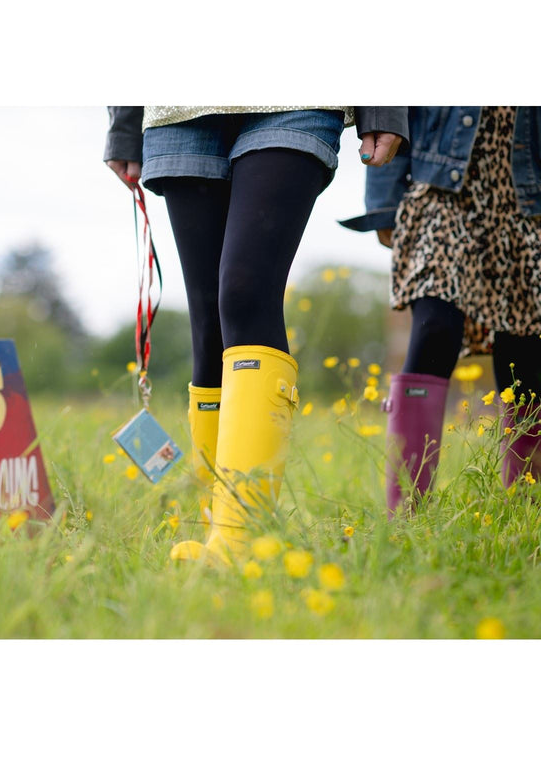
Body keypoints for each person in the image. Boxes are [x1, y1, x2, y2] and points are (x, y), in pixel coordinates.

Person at [104, 106, 408, 563]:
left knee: (245, 292)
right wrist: (125, 125)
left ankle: (238, 542)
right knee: (208, 323)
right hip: (180, 108)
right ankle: (217, 527)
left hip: (291, 100)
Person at [340, 107, 541, 517]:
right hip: (439, 192)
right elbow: (392, 102)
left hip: (527, 200)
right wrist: (383, 202)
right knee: (435, 326)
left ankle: (525, 511)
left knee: (526, 349)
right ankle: (407, 516)